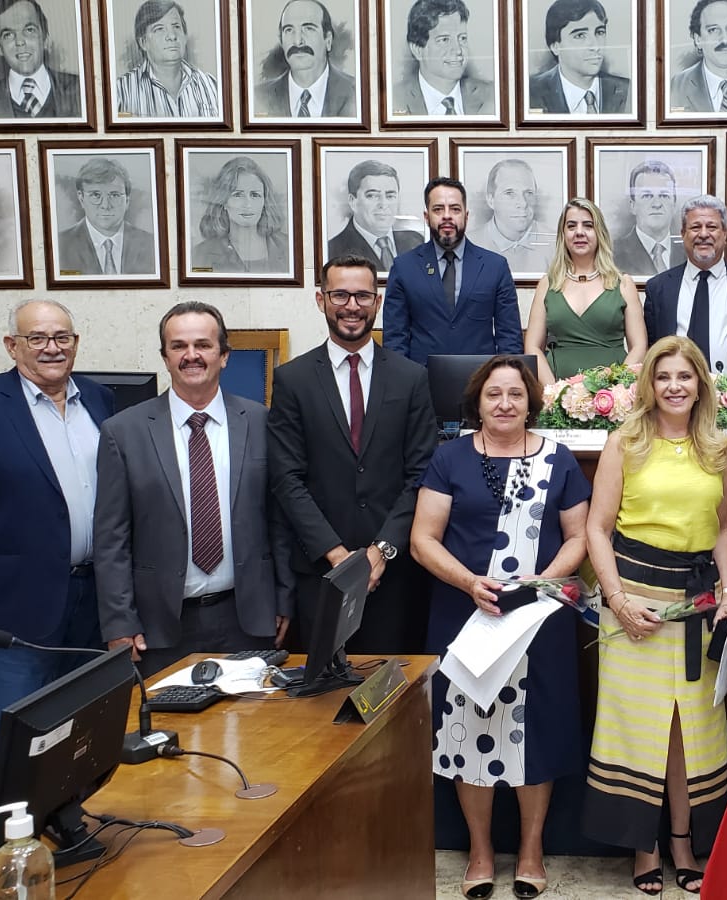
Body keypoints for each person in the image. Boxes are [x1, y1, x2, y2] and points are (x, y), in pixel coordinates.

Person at [410, 357, 591, 900]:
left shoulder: (559, 459)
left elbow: (580, 537)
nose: (505, 403)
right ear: (477, 402)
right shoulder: (449, 457)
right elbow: (422, 539)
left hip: (538, 621)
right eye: (494, 394)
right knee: (466, 732)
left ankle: (531, 850)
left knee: (537, 731)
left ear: (531, 402)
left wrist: (540, 584)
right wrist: (471, 583)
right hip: (466, 616)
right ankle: (480, 851)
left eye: (515, 393)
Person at [582, 336, 727, 895]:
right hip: (634, 600)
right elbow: (597, 529)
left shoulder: (718, 446)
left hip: (698, 602)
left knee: (687, 730)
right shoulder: (625, 441)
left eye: (685, 376)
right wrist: (618, 601)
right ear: (649, 384)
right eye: (663, 376)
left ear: (701, 384)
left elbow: (722, 529)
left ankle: (682, 841)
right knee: (638, 726)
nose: (674, 386)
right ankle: (643, 847)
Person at [0, 300, 114, 773]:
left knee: (83, 735)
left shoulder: (99, 399)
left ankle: (69, 818)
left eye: (62, 337)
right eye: (38, 338)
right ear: (12, 346)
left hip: (93, 605)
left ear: (76, 343)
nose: (52, 348)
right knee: (7, 743)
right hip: (12, 614)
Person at [95, 301, 292, 676]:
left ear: (224, 355)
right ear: (165, 357)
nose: (191, 355)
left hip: (246, 618)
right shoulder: (123, 432)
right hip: (160, 627)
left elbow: (278, 521)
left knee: (252, 716)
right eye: (179, 346)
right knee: (166, 715)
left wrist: (284, 599)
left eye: (203, 345)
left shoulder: (260, 422)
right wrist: (119, 621)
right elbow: (111, 539)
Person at [268, 254, 438, 656]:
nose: (351, 306)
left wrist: (381, 550)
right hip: (320, 572)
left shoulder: (411, 378)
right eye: (340, 295)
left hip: (395, 576)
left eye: (362, 296)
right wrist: (337, 555)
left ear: (377, 302)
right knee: (323, 690)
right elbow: (286, 478)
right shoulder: (292, 380)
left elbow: (421, 474)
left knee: (397, 686)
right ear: (321, 300)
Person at [383, 176, 522, 364]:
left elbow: (510, 338)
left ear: (466, 216)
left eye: (455, 209)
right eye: (438, 209)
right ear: (426, 217)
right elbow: (395, 340)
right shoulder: (404, 267)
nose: (447, 216)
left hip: (481, 378)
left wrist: (507, 378)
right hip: (421, 379)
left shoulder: (495, 267)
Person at [643, 195, 727, 382]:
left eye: (711, 227)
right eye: (695, 227)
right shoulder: (659, 288)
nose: (703, 234)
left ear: (724, 234)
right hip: (676, 393)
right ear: (683, 234)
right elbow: (652, 350)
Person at [523, 198, 648, 383]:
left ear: (600, 233)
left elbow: (639, 347)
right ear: (563, 234)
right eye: (571, 226)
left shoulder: (623, 284)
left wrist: (614, 388)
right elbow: (533, 347)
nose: (579, 232)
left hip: (612, 393)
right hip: (557, 390)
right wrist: (553, 391)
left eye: (588, 226)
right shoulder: (547, 284)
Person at [113, 0, 224, 118]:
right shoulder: (120, 91)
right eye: (159, 29)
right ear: (143, 42)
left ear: (185, 36)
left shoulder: (211, 85)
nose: (172, 36)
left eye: (176, 26)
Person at [0, 0, 82, 119]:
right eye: (8, 35)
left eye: (29, 30)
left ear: (45, 38)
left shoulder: (80, 90)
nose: (20, 42)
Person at [252, 0, 357, 118]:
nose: (298, 41)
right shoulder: (258, 97)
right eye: (289, 30)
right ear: (281, 41)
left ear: (328, 40)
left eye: (308, 28)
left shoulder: (357, 93)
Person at [56, 157, 157, 277]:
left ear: (127, 200)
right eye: (95, 195)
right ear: (81, 198)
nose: (105, 205)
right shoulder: (59, 245)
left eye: (114, 195)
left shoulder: (152, 244)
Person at [190, 155, 291, 275]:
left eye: (255, 195)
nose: (248, 204)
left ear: (264, 201)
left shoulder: (289, 247)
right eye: (238, 195)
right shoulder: (200, 254)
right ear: (223, 202)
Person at [527, 0, 630, 114]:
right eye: (580, 35)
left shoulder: (629, 90)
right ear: (555, 46)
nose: (595, 46)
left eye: (599, 32)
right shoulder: (529, 92)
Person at [395, 0, 494, 115]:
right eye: (444, 40)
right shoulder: (393, 100)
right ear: (417, 50)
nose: (458, 50)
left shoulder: (492, 95)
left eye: (462, 38)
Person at [325, 160, 425, 269]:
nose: (383, 204)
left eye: (390, 196)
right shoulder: (333, 250)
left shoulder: (416, 241)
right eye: (372, 196)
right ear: (352, 201)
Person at [465, 159, 553, 273]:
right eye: (510, 193)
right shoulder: (468, 244)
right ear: (490, 200)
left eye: (529, 193)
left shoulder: (556, 245)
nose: (523, 203)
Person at [612, 160, 686, 277]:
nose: (657, 204)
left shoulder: (689, 253)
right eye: (647, 195)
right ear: (632, 205)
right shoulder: (613, 254)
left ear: (674, 205)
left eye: (664, 195)